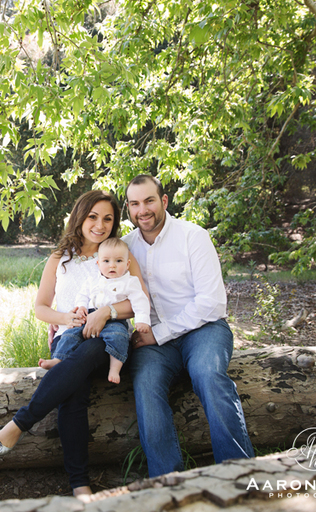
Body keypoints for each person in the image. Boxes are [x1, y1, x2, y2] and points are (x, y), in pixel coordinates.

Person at [0, 190, 145, 497]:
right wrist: (67, 318)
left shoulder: (118, 255)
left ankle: (17, 425)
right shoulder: (61, 259)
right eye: (93, 217)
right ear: (79, 217)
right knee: (74, 392)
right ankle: (80, 486)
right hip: (68, 338)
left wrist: (104, 313)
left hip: (108, 341)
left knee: (91, 350)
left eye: (108, 218)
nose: (100, 225)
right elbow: (41, 307)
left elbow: (140, 302)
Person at [122, 174, 254, 478]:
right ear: (128, 208)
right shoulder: (125, 247)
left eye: (149, 201)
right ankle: (169, 483)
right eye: (134, 203)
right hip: (155, 343)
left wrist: (160, 333)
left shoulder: (192, 236)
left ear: (164, 201)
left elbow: (212, 303)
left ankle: (239, 476)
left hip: (204, 330)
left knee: (208, 373)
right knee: (145, 384)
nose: (143, 210)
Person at [38, 237, 151, 384]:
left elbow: (140, 301)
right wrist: (81, 307)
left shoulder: (130, 282)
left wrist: (142, 321)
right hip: (89, 317)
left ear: (127, 264)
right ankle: (58, 358)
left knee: (118, 337)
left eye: (118, 261)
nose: (112, 266)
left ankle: (115, 368)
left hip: (115, 321)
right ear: (98, 264)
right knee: (71, 334)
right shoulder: (94, 279)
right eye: (106, 261)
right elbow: (83, 294)